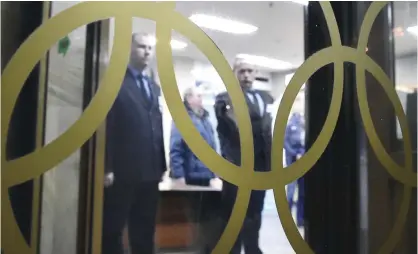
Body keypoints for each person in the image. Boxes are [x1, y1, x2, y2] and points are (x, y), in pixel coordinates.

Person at [102, 33, 166, 254]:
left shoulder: (153, 87)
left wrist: (161, 165)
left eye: (150, 47)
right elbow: (107, 125)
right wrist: (107, 166)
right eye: (141, 47)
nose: (147, 52)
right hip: (122, 170)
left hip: (150, 171)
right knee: (112, 229)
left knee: (145, 229)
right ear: (129, 48)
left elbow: (155, 126)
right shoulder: (114, 81)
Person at [214, 58, 274, 254]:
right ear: (234, 74)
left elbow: (268, 131)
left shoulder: (266, 98)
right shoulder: (224, 99)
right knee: (235, 215)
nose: (246, 75)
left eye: (250, 71)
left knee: (255, 213)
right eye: (242, 71)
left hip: (262, 167)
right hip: (238, 167)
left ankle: (252, 249)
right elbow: (228, 129)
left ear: (256, 74)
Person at [169, 86, 217, 187]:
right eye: (198, 96)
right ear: (189, 99)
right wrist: (179, 176)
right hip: (190, 177)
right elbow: (176, 149)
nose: (201, 99)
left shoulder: (205, 120)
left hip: (206, 176)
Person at [284, 112, 305, 228]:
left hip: (301, 160)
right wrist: (294, 153)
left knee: (301, 191)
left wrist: (301, 153)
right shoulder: (290, 127)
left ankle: (300, 219)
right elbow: (285, 143)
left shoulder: (302, 126)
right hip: (291, 161)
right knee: (291, 190)